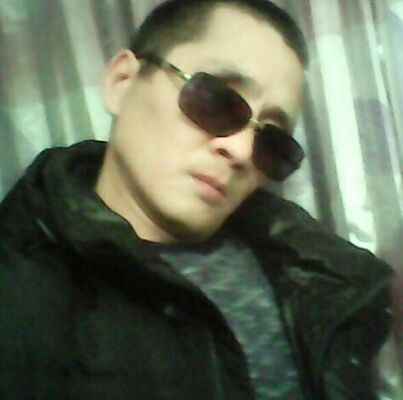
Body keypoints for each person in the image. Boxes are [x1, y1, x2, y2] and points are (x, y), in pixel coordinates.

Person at [0, 0, 394, 399]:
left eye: (272, 141)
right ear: (123, 82)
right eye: (216, 100)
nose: (241, 151)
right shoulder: (20, 295)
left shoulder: (315, 271)